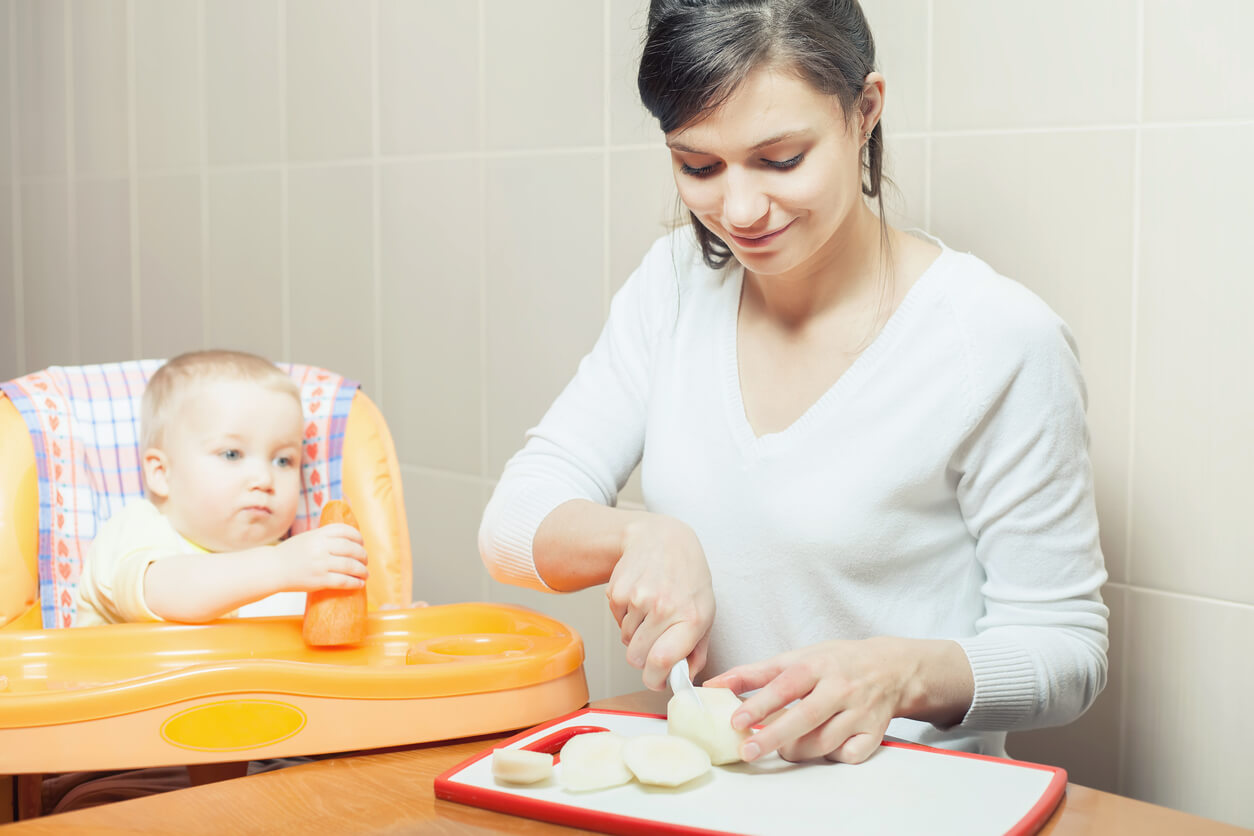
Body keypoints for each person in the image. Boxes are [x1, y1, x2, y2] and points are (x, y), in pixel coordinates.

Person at [479, 0, 1108, 765]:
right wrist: (640, 534)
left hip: (912, 803)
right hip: (716, 798)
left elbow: (1067, 649)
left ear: (864, 110)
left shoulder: (998, 339)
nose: (738, 212)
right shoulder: (674, 288)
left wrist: (898, 672)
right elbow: (512, 522)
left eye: (780, 160)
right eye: (697, 166)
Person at [73, 349, 368, 626]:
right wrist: (281, 566)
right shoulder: (137, 530)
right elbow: (168, 594)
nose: (264, 479)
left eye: (283, 460)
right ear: (162, 473)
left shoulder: (295, 564)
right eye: (232, 454)